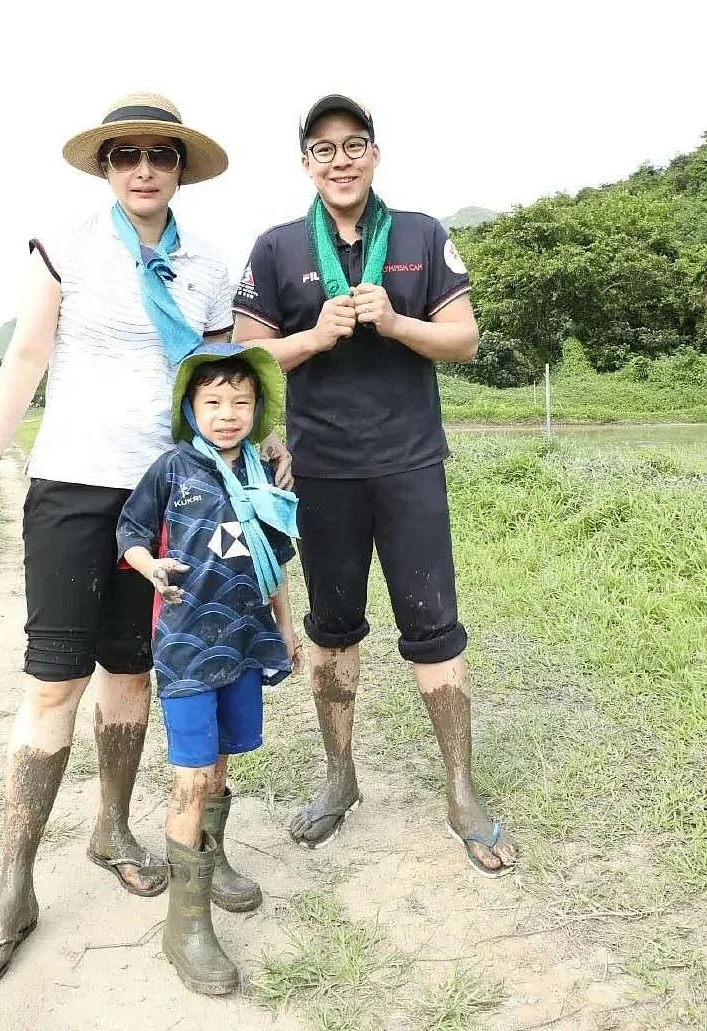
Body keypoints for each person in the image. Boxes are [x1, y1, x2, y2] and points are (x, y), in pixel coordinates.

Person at [0, 92, 292, 993]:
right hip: (71, 484)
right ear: (105, 167)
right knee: (54, 683)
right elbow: (27, 354)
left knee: (139, 673)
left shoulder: (211, 265)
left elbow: (219, 383)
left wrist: (257, 453)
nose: (144, 166)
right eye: (125, 153)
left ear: (181, 168)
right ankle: (14, 889)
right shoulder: (66, 244)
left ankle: (113, 829)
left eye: (161, 154)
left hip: (176, 494)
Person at [232, 94, 518, 877]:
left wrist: (394, 324)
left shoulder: (422, 235)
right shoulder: (276, 247)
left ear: (374, 154)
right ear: (306, 166)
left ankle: (461, 791)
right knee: (331, 630)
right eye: (323, 150)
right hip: (322, 470)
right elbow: (249, 361)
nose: (340, 159)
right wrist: (315, 336)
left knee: (435, 627)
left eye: (352, 144)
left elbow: (463, 339)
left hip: (410, 464)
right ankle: (339, 776)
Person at [117, 342, 303, 994]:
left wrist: (284, 624)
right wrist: (149, 567)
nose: (228, 413)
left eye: (241, 402)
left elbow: (273, 557)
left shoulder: (262, 475)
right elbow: (130, 531)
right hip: (189, 650)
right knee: (191, 778)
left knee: (222, 761)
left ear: (258, 410)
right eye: (214, 401)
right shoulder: (172, 469)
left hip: (244, 644)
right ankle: (185, 926)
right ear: (191, 408)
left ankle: (213, 859)